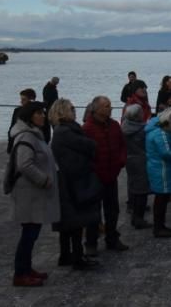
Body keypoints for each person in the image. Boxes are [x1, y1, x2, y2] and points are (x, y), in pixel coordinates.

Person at [7, 101, 60, 288]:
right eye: (39, 113)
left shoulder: (34, 135)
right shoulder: (26, 137)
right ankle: (20, 273)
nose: (43, 116)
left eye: (43, 113)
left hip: (33, 194)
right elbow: (24, 164)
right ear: (30, 116)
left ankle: (26, 268)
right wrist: (44, 179)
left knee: (32, 233)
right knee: (28, 234)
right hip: (28, 194)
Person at [48, 99, 100, 271]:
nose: (74, 111)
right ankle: (76, 257)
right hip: (72, 181)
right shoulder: (65, 131)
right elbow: (88, 145)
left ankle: (66, 254)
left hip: (68, 180)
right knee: (76, 221)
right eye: (71, 108)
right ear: (63, 111)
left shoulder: (61, 131)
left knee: (68, 222)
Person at [81, 96, 129, 254]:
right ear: (97, 109)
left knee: (112, 210)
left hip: (111, 173)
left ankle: (112, 238)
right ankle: (91, 243)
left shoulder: (114, 125)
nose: (110, 108)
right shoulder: (87, 129)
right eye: (107, 106)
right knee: (93, 212)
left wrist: (121, 161)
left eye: (110, 105)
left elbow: (122, 145)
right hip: (95, 176)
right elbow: (84, 154)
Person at [145, 113, 171, 238]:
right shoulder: (160, 133)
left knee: (160, 197)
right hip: (161, 168)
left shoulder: (153, 130)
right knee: (161, 198)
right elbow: (167, 153)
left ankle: (160, 225)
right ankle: (159, 227)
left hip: (156, 166)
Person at [122, 104, 151, 229]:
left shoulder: (124, 127)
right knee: (142, 191)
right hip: (141, 160)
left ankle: (134, 213)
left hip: (129, 159)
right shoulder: (143, 130)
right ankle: (139, 218)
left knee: (133, 187)